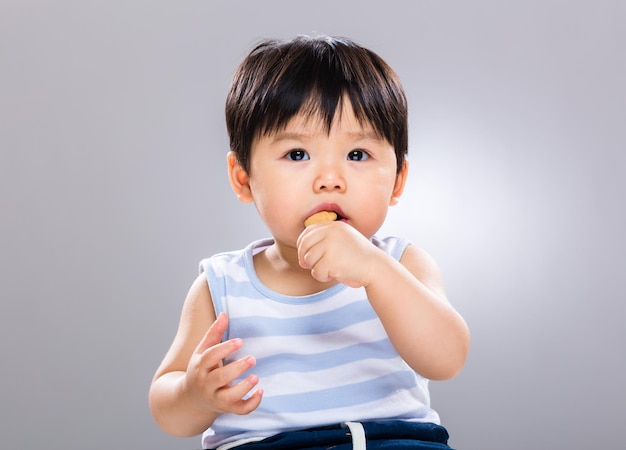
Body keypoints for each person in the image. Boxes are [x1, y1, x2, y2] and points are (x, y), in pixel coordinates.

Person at [149, 34, 470, 450]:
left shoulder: (401, 263)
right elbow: (166, 405)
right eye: (298, 154)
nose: (330, 179)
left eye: (357, 155)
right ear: (242, 177)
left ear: (398, 180)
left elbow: (447, 359)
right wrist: (193, 393)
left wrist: (374, 271)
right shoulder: (222, 285)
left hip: (393, 440)